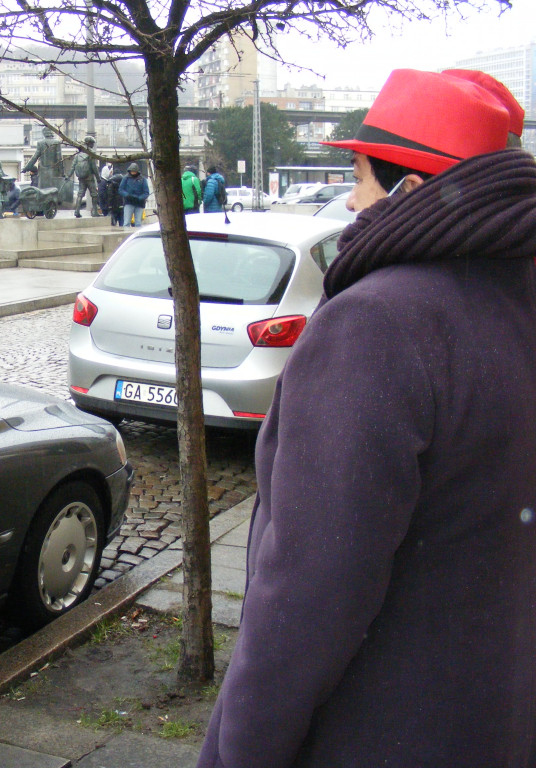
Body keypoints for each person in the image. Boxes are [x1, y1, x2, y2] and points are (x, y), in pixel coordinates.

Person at [197, 69, 536, 768]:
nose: (350, 202)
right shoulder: (516, 296)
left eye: (360, 178)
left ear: (414, 191)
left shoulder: (378, 325)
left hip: (380, 730)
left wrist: (239, 753)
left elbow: (309, 594)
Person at [71, 136, 101, 218]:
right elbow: (94, 167)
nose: (92, 145)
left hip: (81, 178)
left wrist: (68, 176)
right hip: (90, 177)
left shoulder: (78, 154)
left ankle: (77, 211)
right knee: (94, 194)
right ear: (89, 143)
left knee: (80, 194)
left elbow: (73, 166)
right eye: (92, 143)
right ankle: (94, 211)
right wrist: (98, 178)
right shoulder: (91, 153)